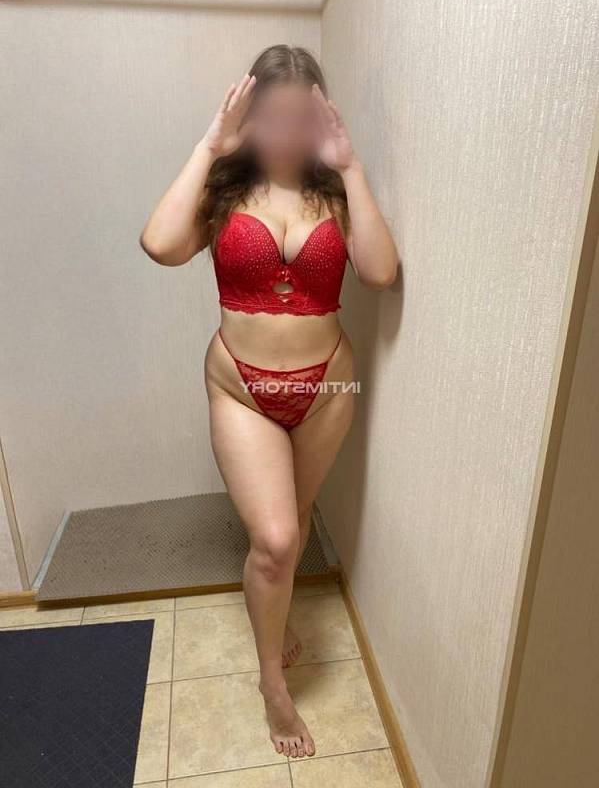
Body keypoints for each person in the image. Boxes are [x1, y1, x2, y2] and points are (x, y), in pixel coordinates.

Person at [140, 44, 397, 759]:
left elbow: (379, 272)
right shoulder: (224, 194)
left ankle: (275, 619)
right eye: (272, 117)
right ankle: (271, 685)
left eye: (300, 118)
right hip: (241, 390)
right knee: (278, 539)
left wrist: (351, 166)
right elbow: (160, 244)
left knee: (294, 521)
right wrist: (209, 145)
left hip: (327, 389)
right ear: (249, 119)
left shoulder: (335, 192)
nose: (286, 132)